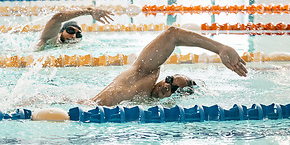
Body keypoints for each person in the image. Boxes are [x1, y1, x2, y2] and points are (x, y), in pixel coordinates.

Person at [90, 26, 248, 106]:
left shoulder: (148, 105)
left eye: (174, 90)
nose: (166, 87)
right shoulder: (143, 74)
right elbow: (173, 34)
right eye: (169, 80)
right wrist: (220, 48)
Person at [36, 7, 114, 49]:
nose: (73, 36)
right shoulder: (50, 41)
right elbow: (57, 18)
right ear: (61, 31)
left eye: (78, 34)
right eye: (71, 30)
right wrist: (88, 12)